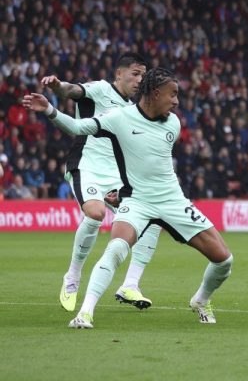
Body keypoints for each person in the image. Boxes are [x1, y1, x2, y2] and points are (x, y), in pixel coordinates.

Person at [24, 67, 233, 329]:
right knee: (116, 249)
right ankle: (85, 313)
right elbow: (77, 126)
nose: (177, 101)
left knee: (224, 260)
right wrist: (49, 111)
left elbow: (151, 164)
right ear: (156, 93)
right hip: (138, 201)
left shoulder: (174, 124)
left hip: (173, 201)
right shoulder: (119, 118)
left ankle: (201, 300)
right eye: (173, 94)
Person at [40, 53, 163, 312]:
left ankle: (130, 284)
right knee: (95, 213)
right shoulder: (100, 89)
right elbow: (72, 90)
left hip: (118, 175)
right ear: (119, 74)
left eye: (143, 74)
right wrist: (57, 86)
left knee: (152, 220)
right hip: (87, 166)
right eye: (135, 73)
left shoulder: (134, 109)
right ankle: (73, 276)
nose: (140, 79)